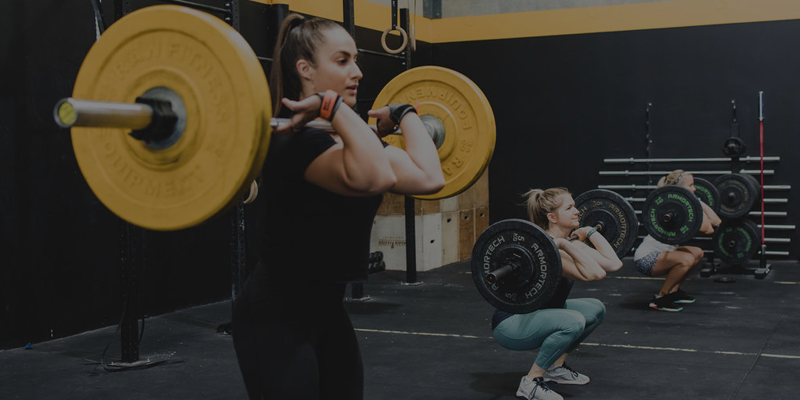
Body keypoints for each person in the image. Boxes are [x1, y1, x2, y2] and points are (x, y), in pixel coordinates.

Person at [231, 14, 445, 400]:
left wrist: (403, 114)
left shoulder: (347, 141)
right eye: (343, 60)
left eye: (355, 60)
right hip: (276, 313)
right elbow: (375, 178)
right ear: (306, 70)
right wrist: (334, 110)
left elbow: (430, 179)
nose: (358, 71)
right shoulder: (293, 142)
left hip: (327, 311)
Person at [492, 188, 623, 400]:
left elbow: (614, 263)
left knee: (596, 309)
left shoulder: (567, 244)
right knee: (574, 321)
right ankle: (530, 382)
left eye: (575, 206)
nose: (577, 211)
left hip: (541, 314)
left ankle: (556, 367)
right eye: (569, 207)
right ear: (552, 217)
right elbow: (596, 274)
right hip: (511, 324)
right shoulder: (548, 250)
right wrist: (563, 244)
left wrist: (590, 231)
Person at [633, 170, 722, 312]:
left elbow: (717, 221)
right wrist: (694, 203)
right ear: (679, 189)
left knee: (697, 252)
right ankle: (660, 298)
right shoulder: (672, 208)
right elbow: (708, 229)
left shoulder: (683, 207)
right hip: (646, 259)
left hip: (663, 254)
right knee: (686, 259)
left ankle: (673, 292)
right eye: (691, 185)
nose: (694, 189)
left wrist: (696, 201)